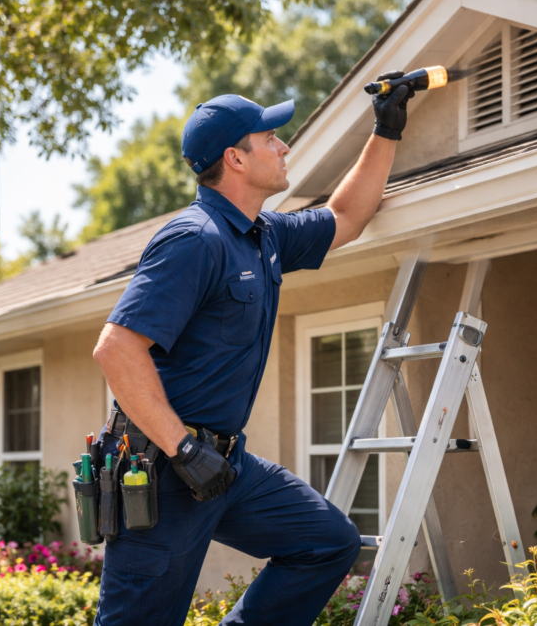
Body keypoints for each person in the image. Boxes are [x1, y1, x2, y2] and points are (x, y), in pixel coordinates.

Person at [91, 72, 415, 625]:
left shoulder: (263, 236)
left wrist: (386, 128)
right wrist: (184, 452)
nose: (283, 146)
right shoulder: (195, 240)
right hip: (165, 471)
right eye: (270, 138)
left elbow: (346, 218)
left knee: (328, 543)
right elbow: (116, 348)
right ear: (235, 159)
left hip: (224, 464)